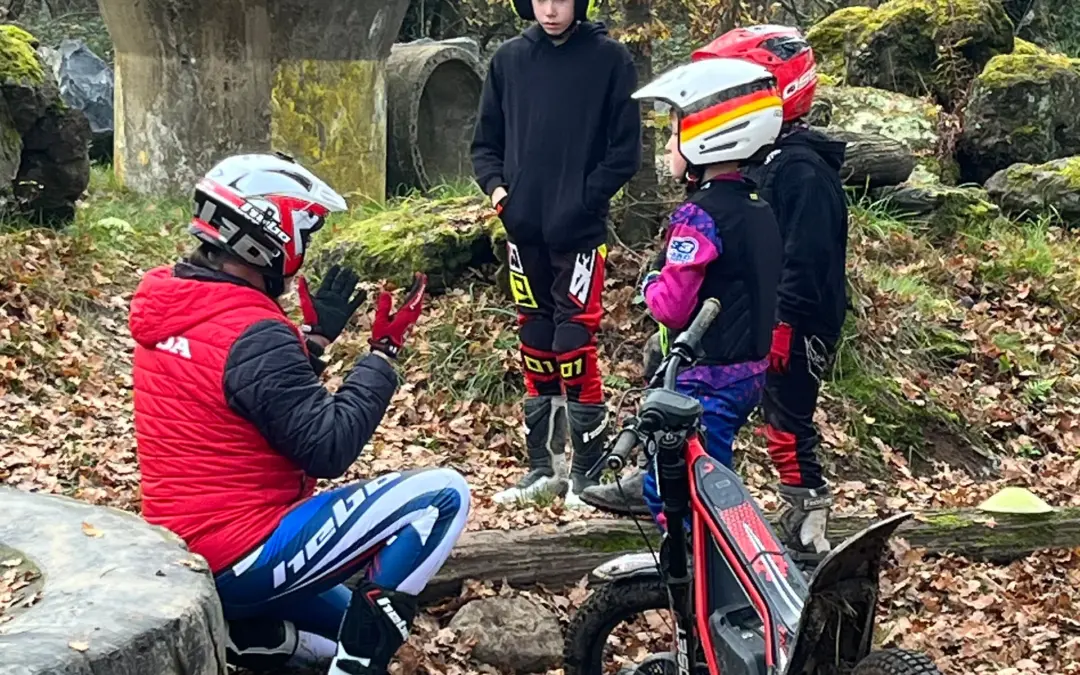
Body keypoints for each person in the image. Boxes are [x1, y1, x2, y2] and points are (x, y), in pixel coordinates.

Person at [128, 153, 471, 675]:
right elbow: (327, 446)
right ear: (272, 233)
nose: (304, 251)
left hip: (186, 551)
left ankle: (255, 640)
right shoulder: (250, 331)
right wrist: (381, 357)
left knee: (342, 630)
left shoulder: (176, 305)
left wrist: (311, 345)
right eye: (304, 234)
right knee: (441, 497)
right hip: (241, 550)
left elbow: (243, 402)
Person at [470, 0, 642, 507]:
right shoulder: (509, 60)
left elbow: (625, 153)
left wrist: (585, 199)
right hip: (523, 230)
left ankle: (586, 473)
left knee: (573, 339)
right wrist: (501, 194)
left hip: (582, 232)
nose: (549, 9)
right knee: (536, 337)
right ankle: (542, 467)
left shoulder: (610, 59)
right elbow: (485, 143)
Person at [693, 25, 849, 561]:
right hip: (763, 311)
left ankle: (809, 519)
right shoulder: (765, 161)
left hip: (800, 316)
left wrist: (785, 322)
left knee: (787, 414)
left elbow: (808, 259)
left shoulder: (800, 170)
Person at [627, 57, 784, 528]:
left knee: (675, 486)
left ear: (705, 140)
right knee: (713, 475)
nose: (670, 146)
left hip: (704, 375)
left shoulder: (698, 218)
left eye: (676, 134)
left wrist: (650, 283)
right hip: (750, 371)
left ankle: (704, 575)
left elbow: (672, 307)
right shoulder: (760, 207)